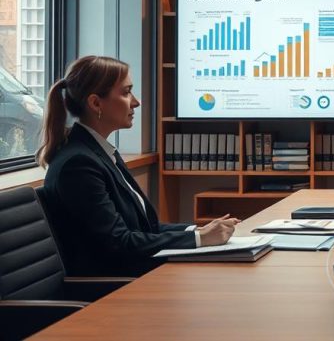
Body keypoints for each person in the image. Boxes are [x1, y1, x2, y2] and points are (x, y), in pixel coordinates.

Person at [39, 56, 239, 277]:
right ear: (96, 103)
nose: (136, 102)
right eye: (126, 93)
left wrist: (198, 231)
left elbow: (145, 228)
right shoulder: (78, 165)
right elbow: (119, 242)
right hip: (112, 288)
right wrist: (200, 239)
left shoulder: (99, 152)